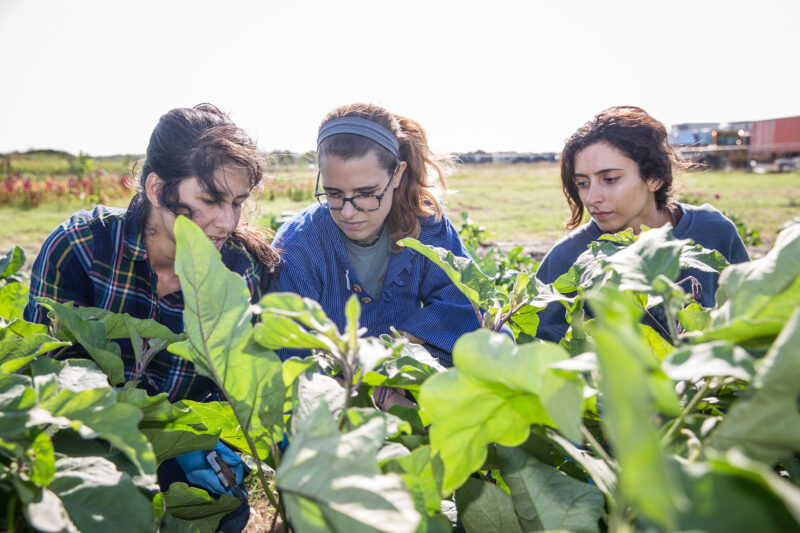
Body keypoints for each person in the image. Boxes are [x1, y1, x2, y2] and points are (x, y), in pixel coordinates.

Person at [24, 104, 279, 532]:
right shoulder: (82, 249)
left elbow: (232, 384)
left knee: (220, 508)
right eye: (210, 200)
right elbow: (45, 375)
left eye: (237, 203)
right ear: (159, 189)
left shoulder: (237, 270)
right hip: (89, 445)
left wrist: (209, 442)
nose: (228, 221)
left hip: (183, 448)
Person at [271, 103, 481, 368]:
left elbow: (465, 303)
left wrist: (388, 353)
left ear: (397, 175)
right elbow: (291, 359)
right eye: (334, 194)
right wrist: (374, 391)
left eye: (366, 194)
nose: (348, 212)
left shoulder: (426, 226)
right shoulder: (297, 245)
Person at [535, 106, 750, 343]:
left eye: (610, 179)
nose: (591, 198)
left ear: (654, 177)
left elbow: (750, 317)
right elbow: (542, 353)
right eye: (583, 183)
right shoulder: (568, 257)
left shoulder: (713, 231)